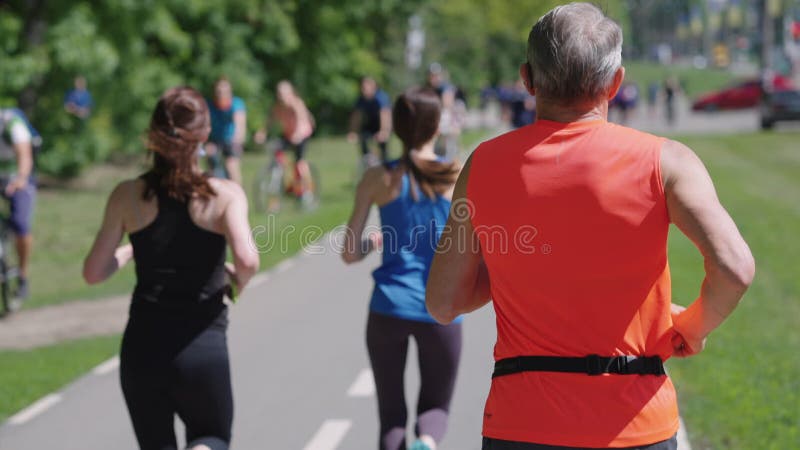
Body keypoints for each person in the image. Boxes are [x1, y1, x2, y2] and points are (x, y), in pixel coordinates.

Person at [426, 4, 755, 450]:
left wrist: (514, 265)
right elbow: (735, 268)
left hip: (521, 423)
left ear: (527, 79)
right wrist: (693, 327)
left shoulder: (483, 165)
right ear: (615, 84)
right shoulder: (666, 161)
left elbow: (445, 302)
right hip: (637, 422)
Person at [83, 86, 260, 450]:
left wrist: (131, 251)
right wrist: (237, 280)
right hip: (201, 345)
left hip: (143, 348)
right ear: (205, 135)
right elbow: (247, 259)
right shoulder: (223, 194)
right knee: (211, 438)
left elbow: (93, 272)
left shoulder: (127, 195)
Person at [342, 88, 462, 450]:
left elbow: (349, 252)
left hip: (387, 308)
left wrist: (370, 245)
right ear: (437, 125)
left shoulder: (377, 178)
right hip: (441, 310)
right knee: (436, 406)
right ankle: (426, 440)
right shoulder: (457, 174)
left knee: (391, 414)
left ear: (395, 127)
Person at [255, 80, 315, 209]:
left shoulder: (296, 103)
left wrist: (298, 134)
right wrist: (262, 133)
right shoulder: (277, 106)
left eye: (283, 93)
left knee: (299, 162)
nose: (281, 96)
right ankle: (280, 190)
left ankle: (307, 191)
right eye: (279, 93)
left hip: (302, 134)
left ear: (290, 93)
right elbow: (269, 122)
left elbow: (302, 119)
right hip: (288, 135)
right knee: (277, 155)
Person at [0, 108, 37, 301]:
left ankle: (22, 276)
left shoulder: (11, 123)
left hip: (19, 178)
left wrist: (21, 179)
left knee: (20, 223)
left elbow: (25, 155)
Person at [206, 77, 246, 184]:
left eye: (225, 92)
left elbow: (239, 124)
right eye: (219, 92)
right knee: (211, 168)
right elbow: (204, 125)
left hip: (232, 140)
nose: (221, 94)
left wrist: (237, 140)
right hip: (215, 140)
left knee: (231, 166)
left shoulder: (236, 104)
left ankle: (238, 195)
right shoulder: (209, 105)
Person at [348, 77, 391, 164]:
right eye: (363, 86)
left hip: (382, 124)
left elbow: (385, 114)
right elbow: (356, 116)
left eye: (367, 85)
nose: (365, 88)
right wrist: (353, 132)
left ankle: (384, 163)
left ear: (375, 86)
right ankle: (367, 161)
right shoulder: (361, 99)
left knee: (383, 148)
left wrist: (384, 131)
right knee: (363, 139)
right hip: (370, 125)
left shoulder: (381, 98)